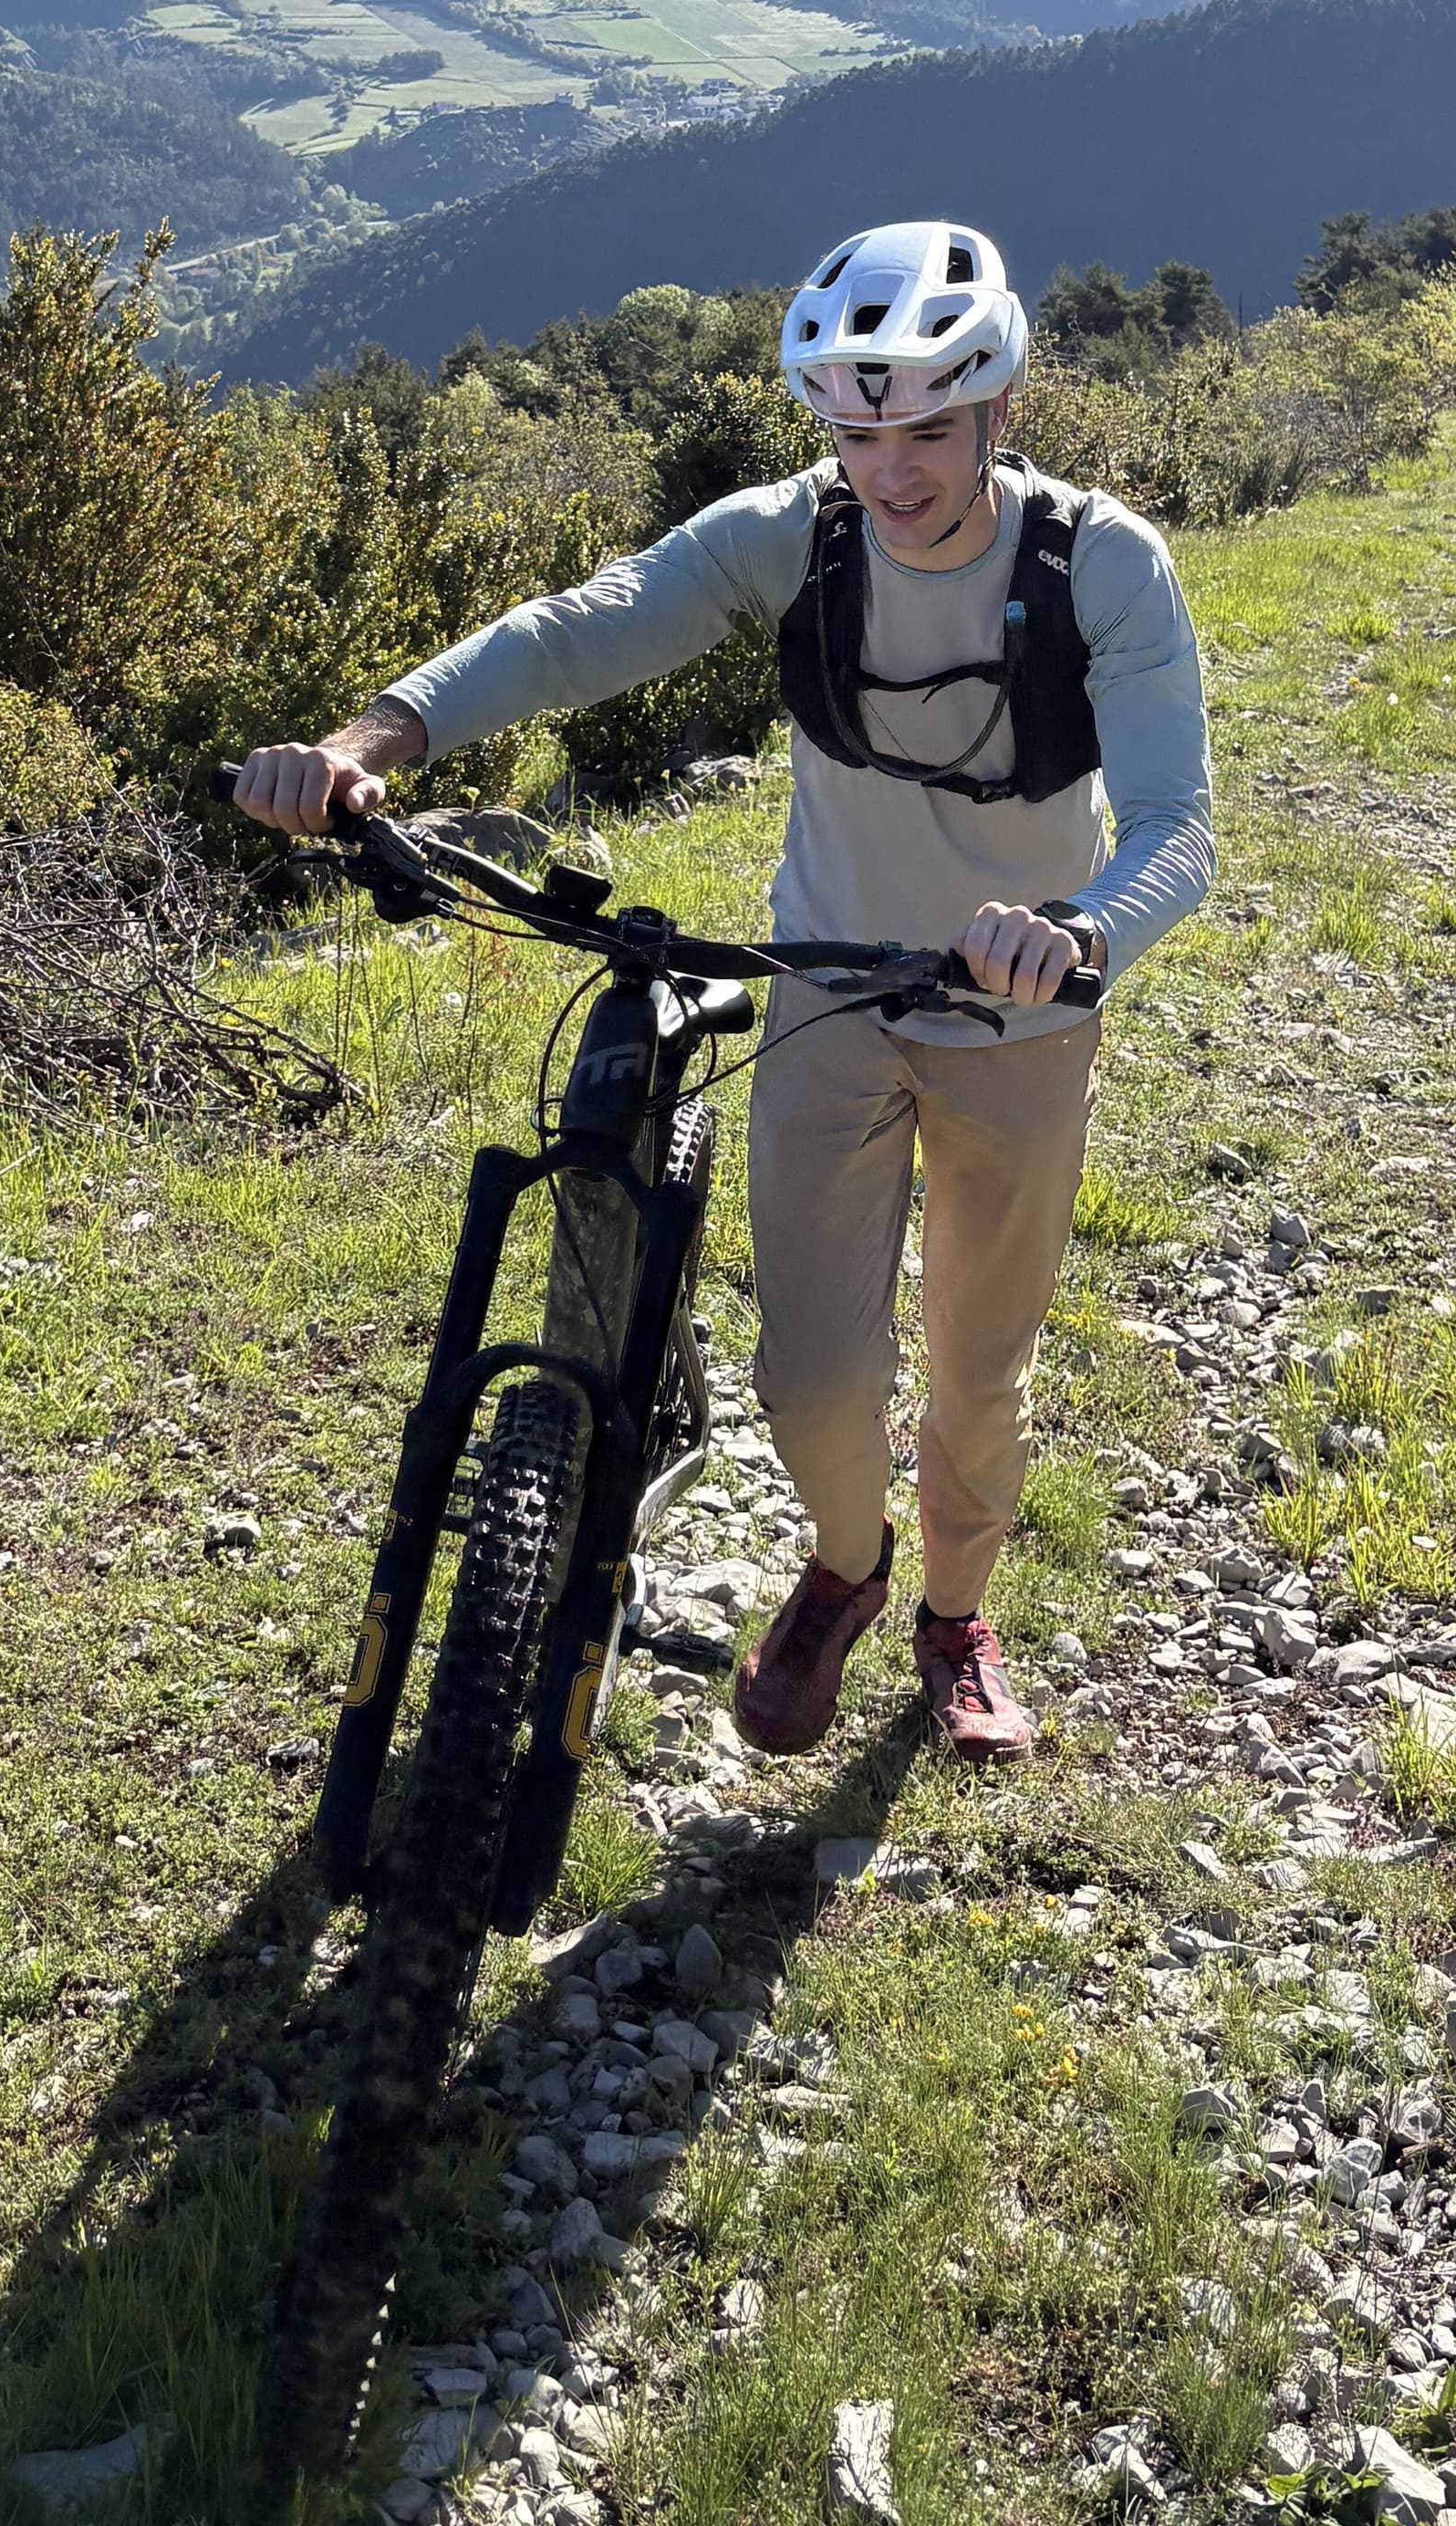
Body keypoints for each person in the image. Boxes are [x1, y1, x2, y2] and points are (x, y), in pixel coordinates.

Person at [233, 216, 1214, 1764]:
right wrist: (376, 741)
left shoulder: (1103, 567)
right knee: (813, 1375)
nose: (891, 471)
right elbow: (581, 630)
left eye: (931, 432)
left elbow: (1178, 829)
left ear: (1001, 411)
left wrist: (1080, 933)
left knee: (977, 1371)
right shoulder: (797, 536)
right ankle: (849, 1564)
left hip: (1020, 1022)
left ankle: (957, 1620)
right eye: (857, 431)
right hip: (827, 996)